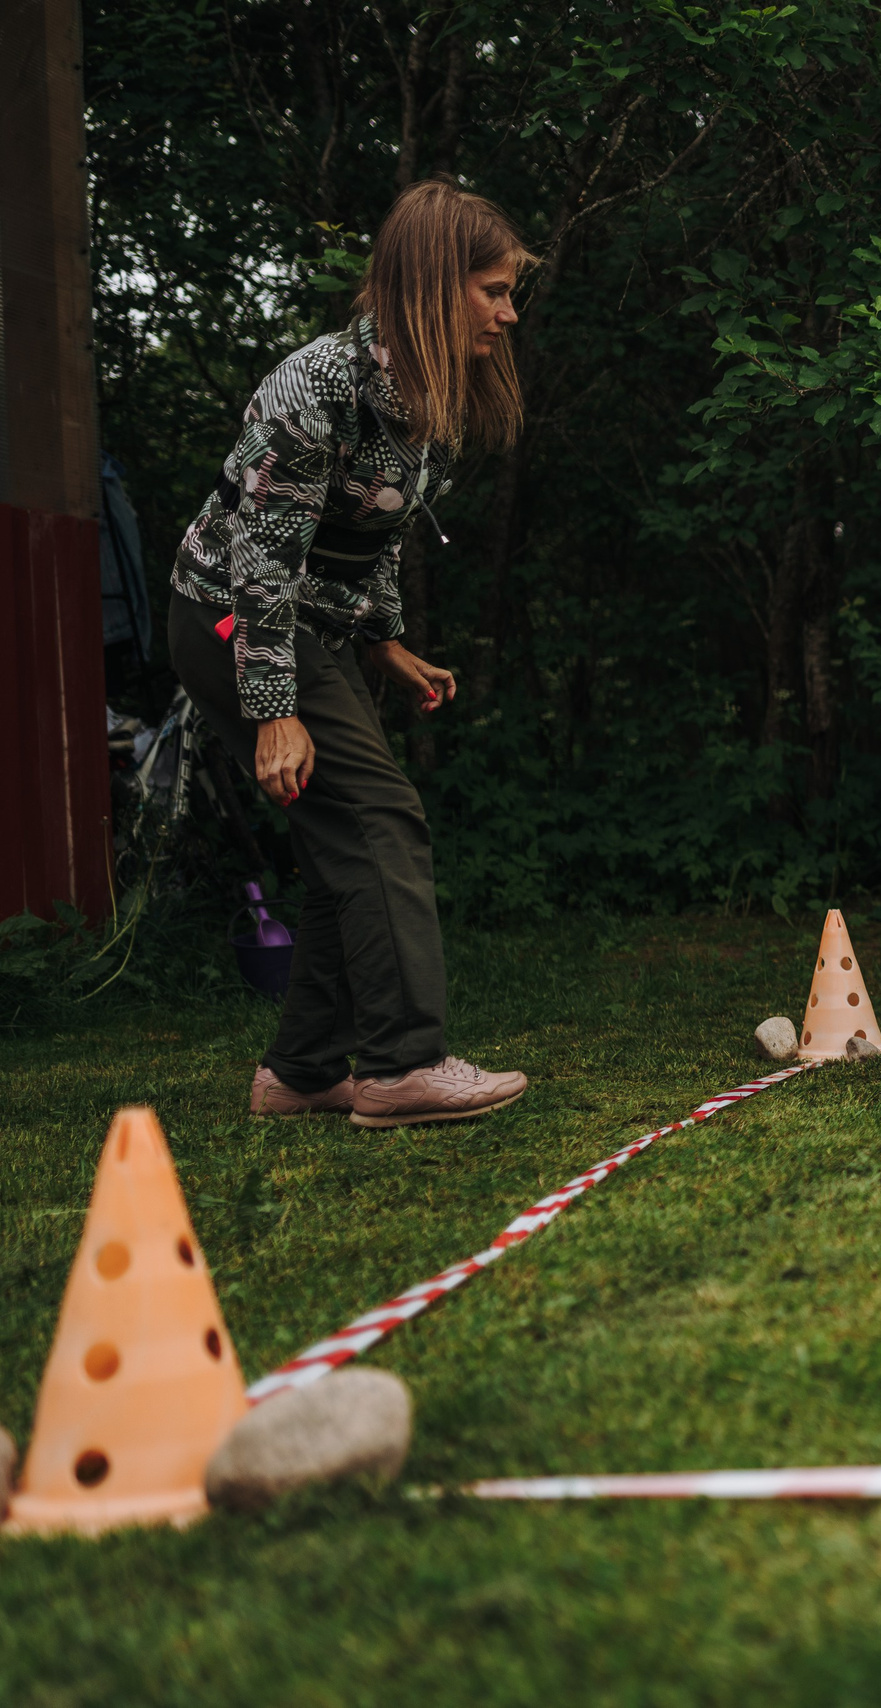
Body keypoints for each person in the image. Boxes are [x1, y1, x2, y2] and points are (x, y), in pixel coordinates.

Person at [169, 179, 529, 1128]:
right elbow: (263, 557)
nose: (508, 310)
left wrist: (386, 643)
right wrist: (275, 709)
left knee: (342, 849)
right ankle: (405, 1064)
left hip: (306, 628)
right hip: (231, 620)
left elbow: (367, 540)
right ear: (430, 284)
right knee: (378, 816)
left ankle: (300, 1073)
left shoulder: (427, 401)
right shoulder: (312, 387)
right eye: (491, 289)